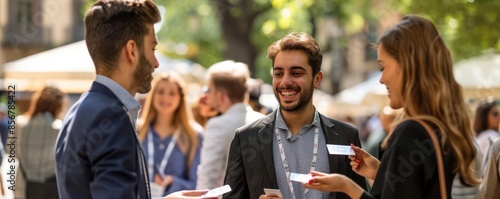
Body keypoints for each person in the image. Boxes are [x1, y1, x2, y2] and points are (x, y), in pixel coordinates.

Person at [303, 15, 481, 198]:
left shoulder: (411, 132)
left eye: (383, 68)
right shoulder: (442, 126)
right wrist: (383, 172)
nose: (381, 79)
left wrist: (347, 186)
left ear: (407, 67)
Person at [223, 32, 366, 199]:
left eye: (296, 73)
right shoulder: (246, 139)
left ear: (317, 79)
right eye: (278, 74)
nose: (285, 82)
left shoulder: (345, 136)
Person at [54, 0, 161, 198]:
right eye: (152, 48)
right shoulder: (110, 117)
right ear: (132, 50)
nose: (156, 63)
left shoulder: (79, 110)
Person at [196, 60, 265, 190]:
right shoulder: (263, 121)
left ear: (220, 95)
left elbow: (209, 174)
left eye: (209, 89)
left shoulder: (217, 125)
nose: (206, 94)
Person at [137, 72, 203, 197]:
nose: (165, 98)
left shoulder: (194, 135)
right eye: (161, 92)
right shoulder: (136, 130)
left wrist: (172, 182)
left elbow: (197, 184)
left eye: (172, 93)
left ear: (181, 97)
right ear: (153, 95)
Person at [16, 86, 65, 199]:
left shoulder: (18, 123)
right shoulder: (60, 127)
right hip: (49, 190)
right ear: (58, 106)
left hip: (22, 189)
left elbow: (12, 153)